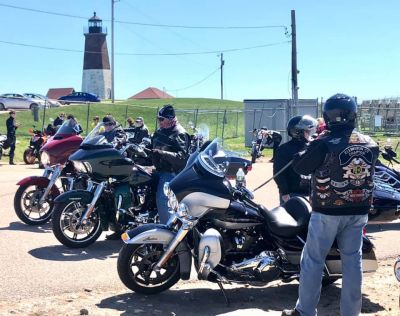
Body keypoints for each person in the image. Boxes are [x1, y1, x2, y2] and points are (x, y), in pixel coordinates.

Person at [282, 94, 379, 316]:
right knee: (352, 263)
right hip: (358, 210)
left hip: (327, 211)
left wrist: (309, 145)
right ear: (353, 115)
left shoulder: (323, 143)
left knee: (313, 261)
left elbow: (300, 167)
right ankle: (351, 313)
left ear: (327, 117)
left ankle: (305, 311)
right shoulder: (371, 143)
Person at [151, 104, 189, 224]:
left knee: (162, 198)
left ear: (170, 118)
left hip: (171, 172)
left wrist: (162, 153)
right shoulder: (161, 131)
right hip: (158, 168)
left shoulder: (179, 133)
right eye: (158, 119)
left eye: (161, 119)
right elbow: (151, 145)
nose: (159, 121)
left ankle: (166, 232)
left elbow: (182, 158)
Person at [273, 115, 317, 205]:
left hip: (311, 192)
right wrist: (284, 192)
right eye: (308, 131)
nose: (311, 134)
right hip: (292, 194)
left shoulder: (312, 146)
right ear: (298, 132)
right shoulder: (284, 149)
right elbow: (278, 173)